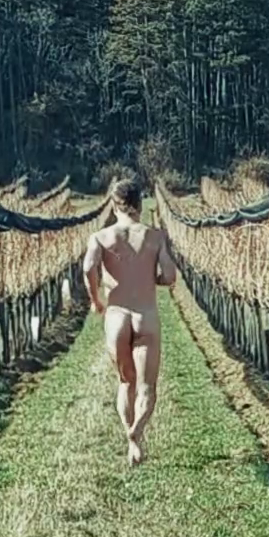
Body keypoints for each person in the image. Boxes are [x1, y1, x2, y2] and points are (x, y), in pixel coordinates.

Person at [83, 178, 176, 465]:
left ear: (114, 204)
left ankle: (129, 437)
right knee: (147, 387)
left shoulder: (101, 237)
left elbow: (88, 267)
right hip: (145, 315)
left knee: (126, 383)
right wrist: (154, 279)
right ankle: (136, 435)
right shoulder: (156, 237)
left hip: (117, 316)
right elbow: (171, 277)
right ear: (140, 202)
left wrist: (96, 299)